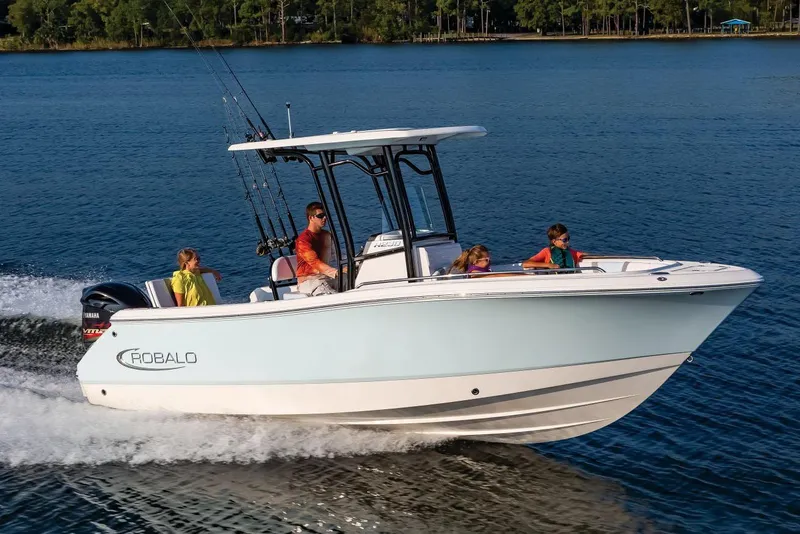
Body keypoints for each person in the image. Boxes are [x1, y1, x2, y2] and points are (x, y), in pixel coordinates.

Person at [296, 202, 339, 296]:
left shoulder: (327, 235)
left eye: (325, 215)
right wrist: (336, 272)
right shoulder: (303, 240)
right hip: (309, 281)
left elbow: (337, 255)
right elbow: (315, 262)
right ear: (311, 218)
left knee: (352, 280)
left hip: (326, 277)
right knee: (329, 293)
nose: (324, 218)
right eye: (320, 216)